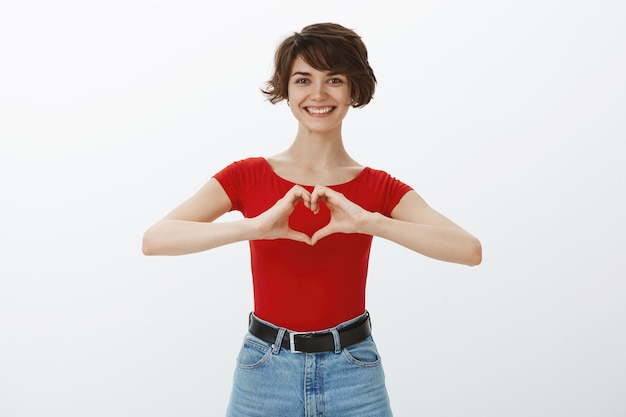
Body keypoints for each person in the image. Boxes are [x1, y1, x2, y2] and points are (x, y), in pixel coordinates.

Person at [142, 22, 481, 417]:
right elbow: (156, 239)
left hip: (355, 373)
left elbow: (469, 249)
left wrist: (371, 222)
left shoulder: (378, 187)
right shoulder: (247, 176)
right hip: (263, 373)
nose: (318, 94)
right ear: (286, 90)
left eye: (334, 79)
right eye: (303, 80)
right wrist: (253, 228)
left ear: (353, 89)